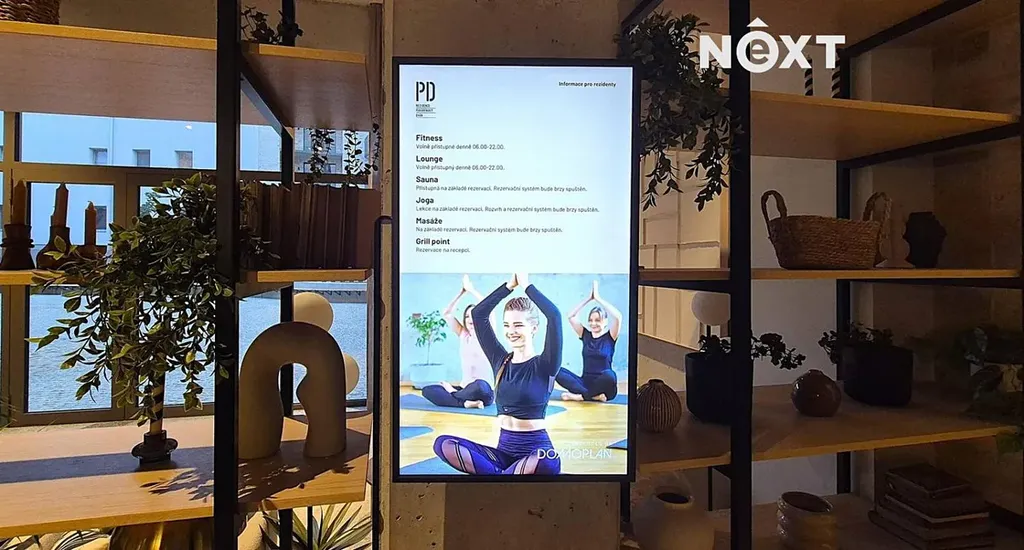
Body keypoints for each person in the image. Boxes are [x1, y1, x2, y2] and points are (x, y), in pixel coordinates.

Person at [432, 273, 563, 475]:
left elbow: (554, 316)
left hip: (535, 453)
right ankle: (503, 475)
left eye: (518, 325)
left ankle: (498, 476)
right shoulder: (500, 360)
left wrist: (526, 285)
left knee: (548, 460)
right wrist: (509, 286)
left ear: (534, 328)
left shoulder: (546, 364)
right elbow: (478, 314)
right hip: (503, 453)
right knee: (443, 444)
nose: (511, 331)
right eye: (507, 325)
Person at [420, 275, 495, 409]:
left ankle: (454, 395)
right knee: (428, 390)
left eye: (473, 315)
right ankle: (466, 403)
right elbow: (447, 314)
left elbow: (489, 309)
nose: (470, 319)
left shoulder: (487, 335)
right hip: (464, 389)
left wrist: (471, 290)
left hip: (484, 391)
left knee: (480, 385)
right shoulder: (463, 335)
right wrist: (462, 292)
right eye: (467, 316)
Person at [556, 280, 622, 402]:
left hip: (605, 386)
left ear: (605, 322)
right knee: (556, 370)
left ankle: (581, 397)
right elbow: (571, 316)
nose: (593, 323)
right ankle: (593, 396)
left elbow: (618, 317)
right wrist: (589, 299)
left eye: (597, 320)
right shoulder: (585, 335)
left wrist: (598, 298)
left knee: (610, 375)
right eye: (591, 320)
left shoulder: (610, 337)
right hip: (585, 383)